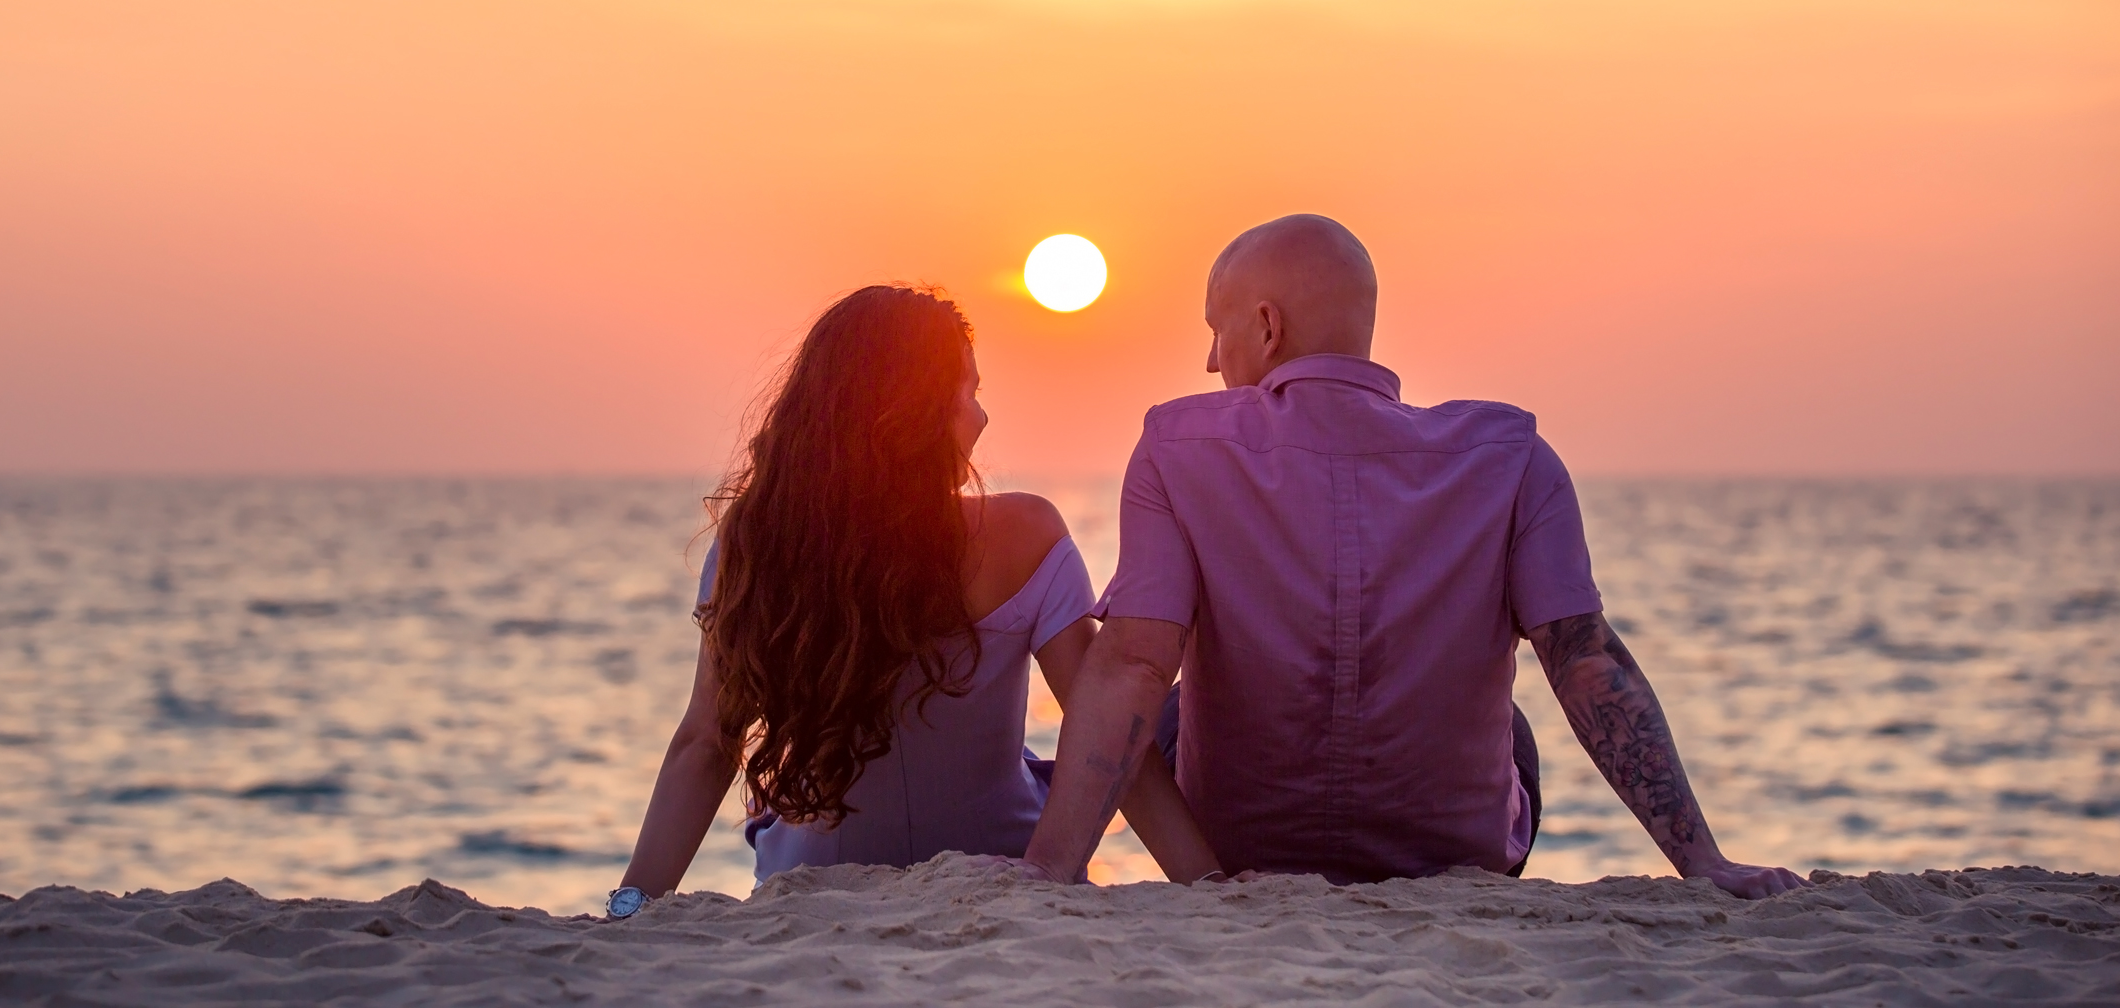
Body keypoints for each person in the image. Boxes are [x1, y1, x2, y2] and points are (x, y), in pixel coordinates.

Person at [1019, 215, 1806, 898]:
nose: (1210, 362)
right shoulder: (1511, 456)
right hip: (1451, 859)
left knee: (1163, 701)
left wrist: (1049, 872)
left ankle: (1195, 885)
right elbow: (1587, 662)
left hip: (1240, 850)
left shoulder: (1176, 448)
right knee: (1519, 728)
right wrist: (1702, 862)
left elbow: (1132, 663)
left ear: (1265, 327)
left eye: (1215, 331)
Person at [605, 284, 1218, 916]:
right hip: (998, 854)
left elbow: (707, 744)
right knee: (1154, 717)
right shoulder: (1026, 535)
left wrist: (632, 904)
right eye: (971, 391)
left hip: (812, 874)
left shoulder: (759, 544)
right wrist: (1207, 884)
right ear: (919, 411)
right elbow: (1111, 735)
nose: (982, 417)